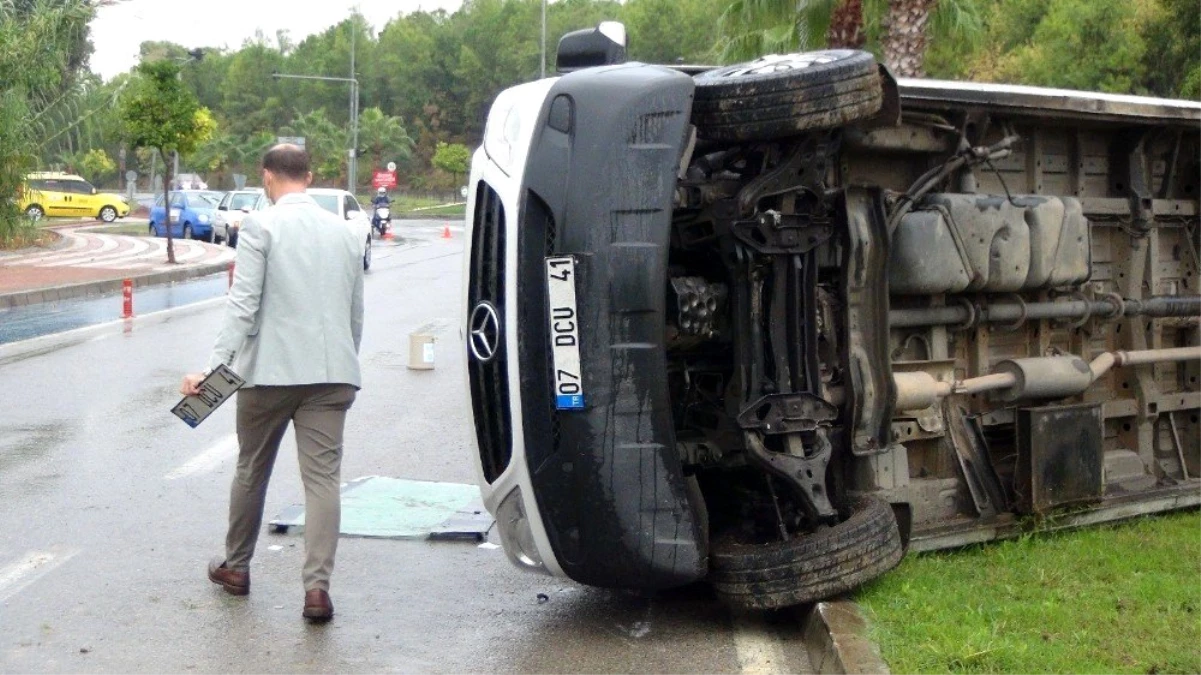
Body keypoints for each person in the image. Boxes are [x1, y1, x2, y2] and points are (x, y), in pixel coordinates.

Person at [180, 144, 365, 622]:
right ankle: (317, 591)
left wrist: (213, 366)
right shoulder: (347, 232)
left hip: (268, 376)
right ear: (309, 175)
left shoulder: (261, 226)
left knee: (251, 468)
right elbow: (354, 314)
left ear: (267, 177)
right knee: (323, 480)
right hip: (332, 375)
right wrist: (344, 362)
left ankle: (236, 568)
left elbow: (243, 306)